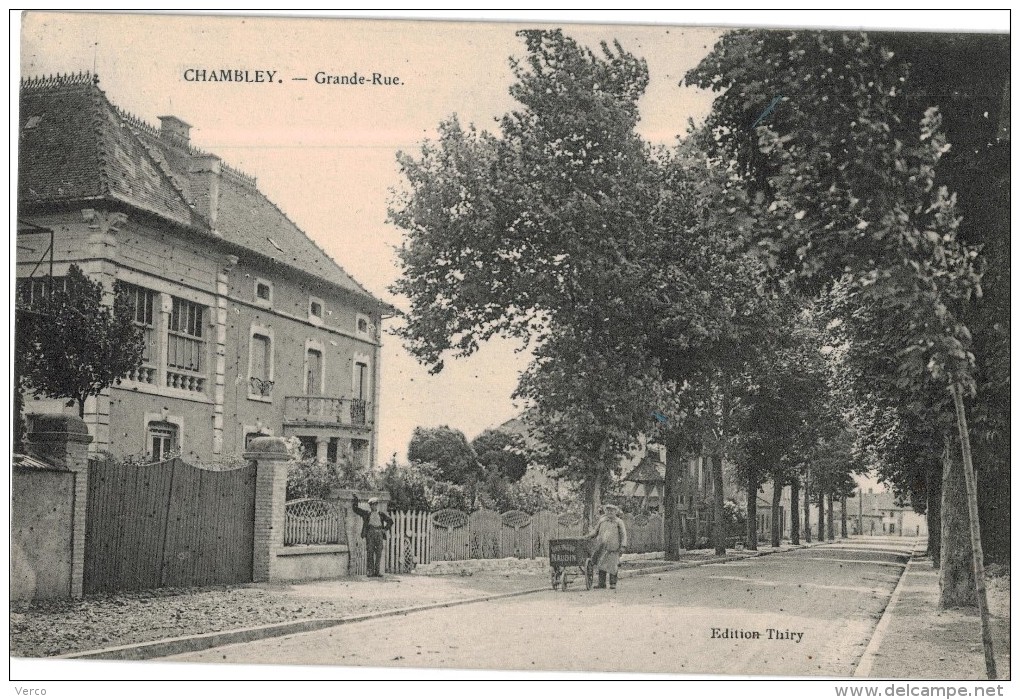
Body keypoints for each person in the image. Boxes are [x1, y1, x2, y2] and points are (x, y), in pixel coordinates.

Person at [585, 504, 628, 590]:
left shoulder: (619, 522)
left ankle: (613, 583)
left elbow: (623, 535)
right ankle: (601, 583)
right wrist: (588, 536)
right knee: (601, 565)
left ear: (615, 512)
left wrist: (623, 545)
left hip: (614, 548)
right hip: (602, 547)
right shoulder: (602, 521)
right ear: (605, 511)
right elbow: (595, 531)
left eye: (612, 510)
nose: (610, 512)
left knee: (613, 566)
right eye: (608, 510)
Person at [351, 495, 393, 577]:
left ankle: (377, 571)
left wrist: (384, 529)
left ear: (377, 505)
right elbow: (356, 509)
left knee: (378, 553)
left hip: (379, 534)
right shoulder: (366, 514)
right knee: (370, 552)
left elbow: (390, 521)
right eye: (372, 505)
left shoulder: (381, 514)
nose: (374, 506)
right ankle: (370, 571)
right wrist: (355, 499)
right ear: (370, 506)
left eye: (376, 504)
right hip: (370, 533)